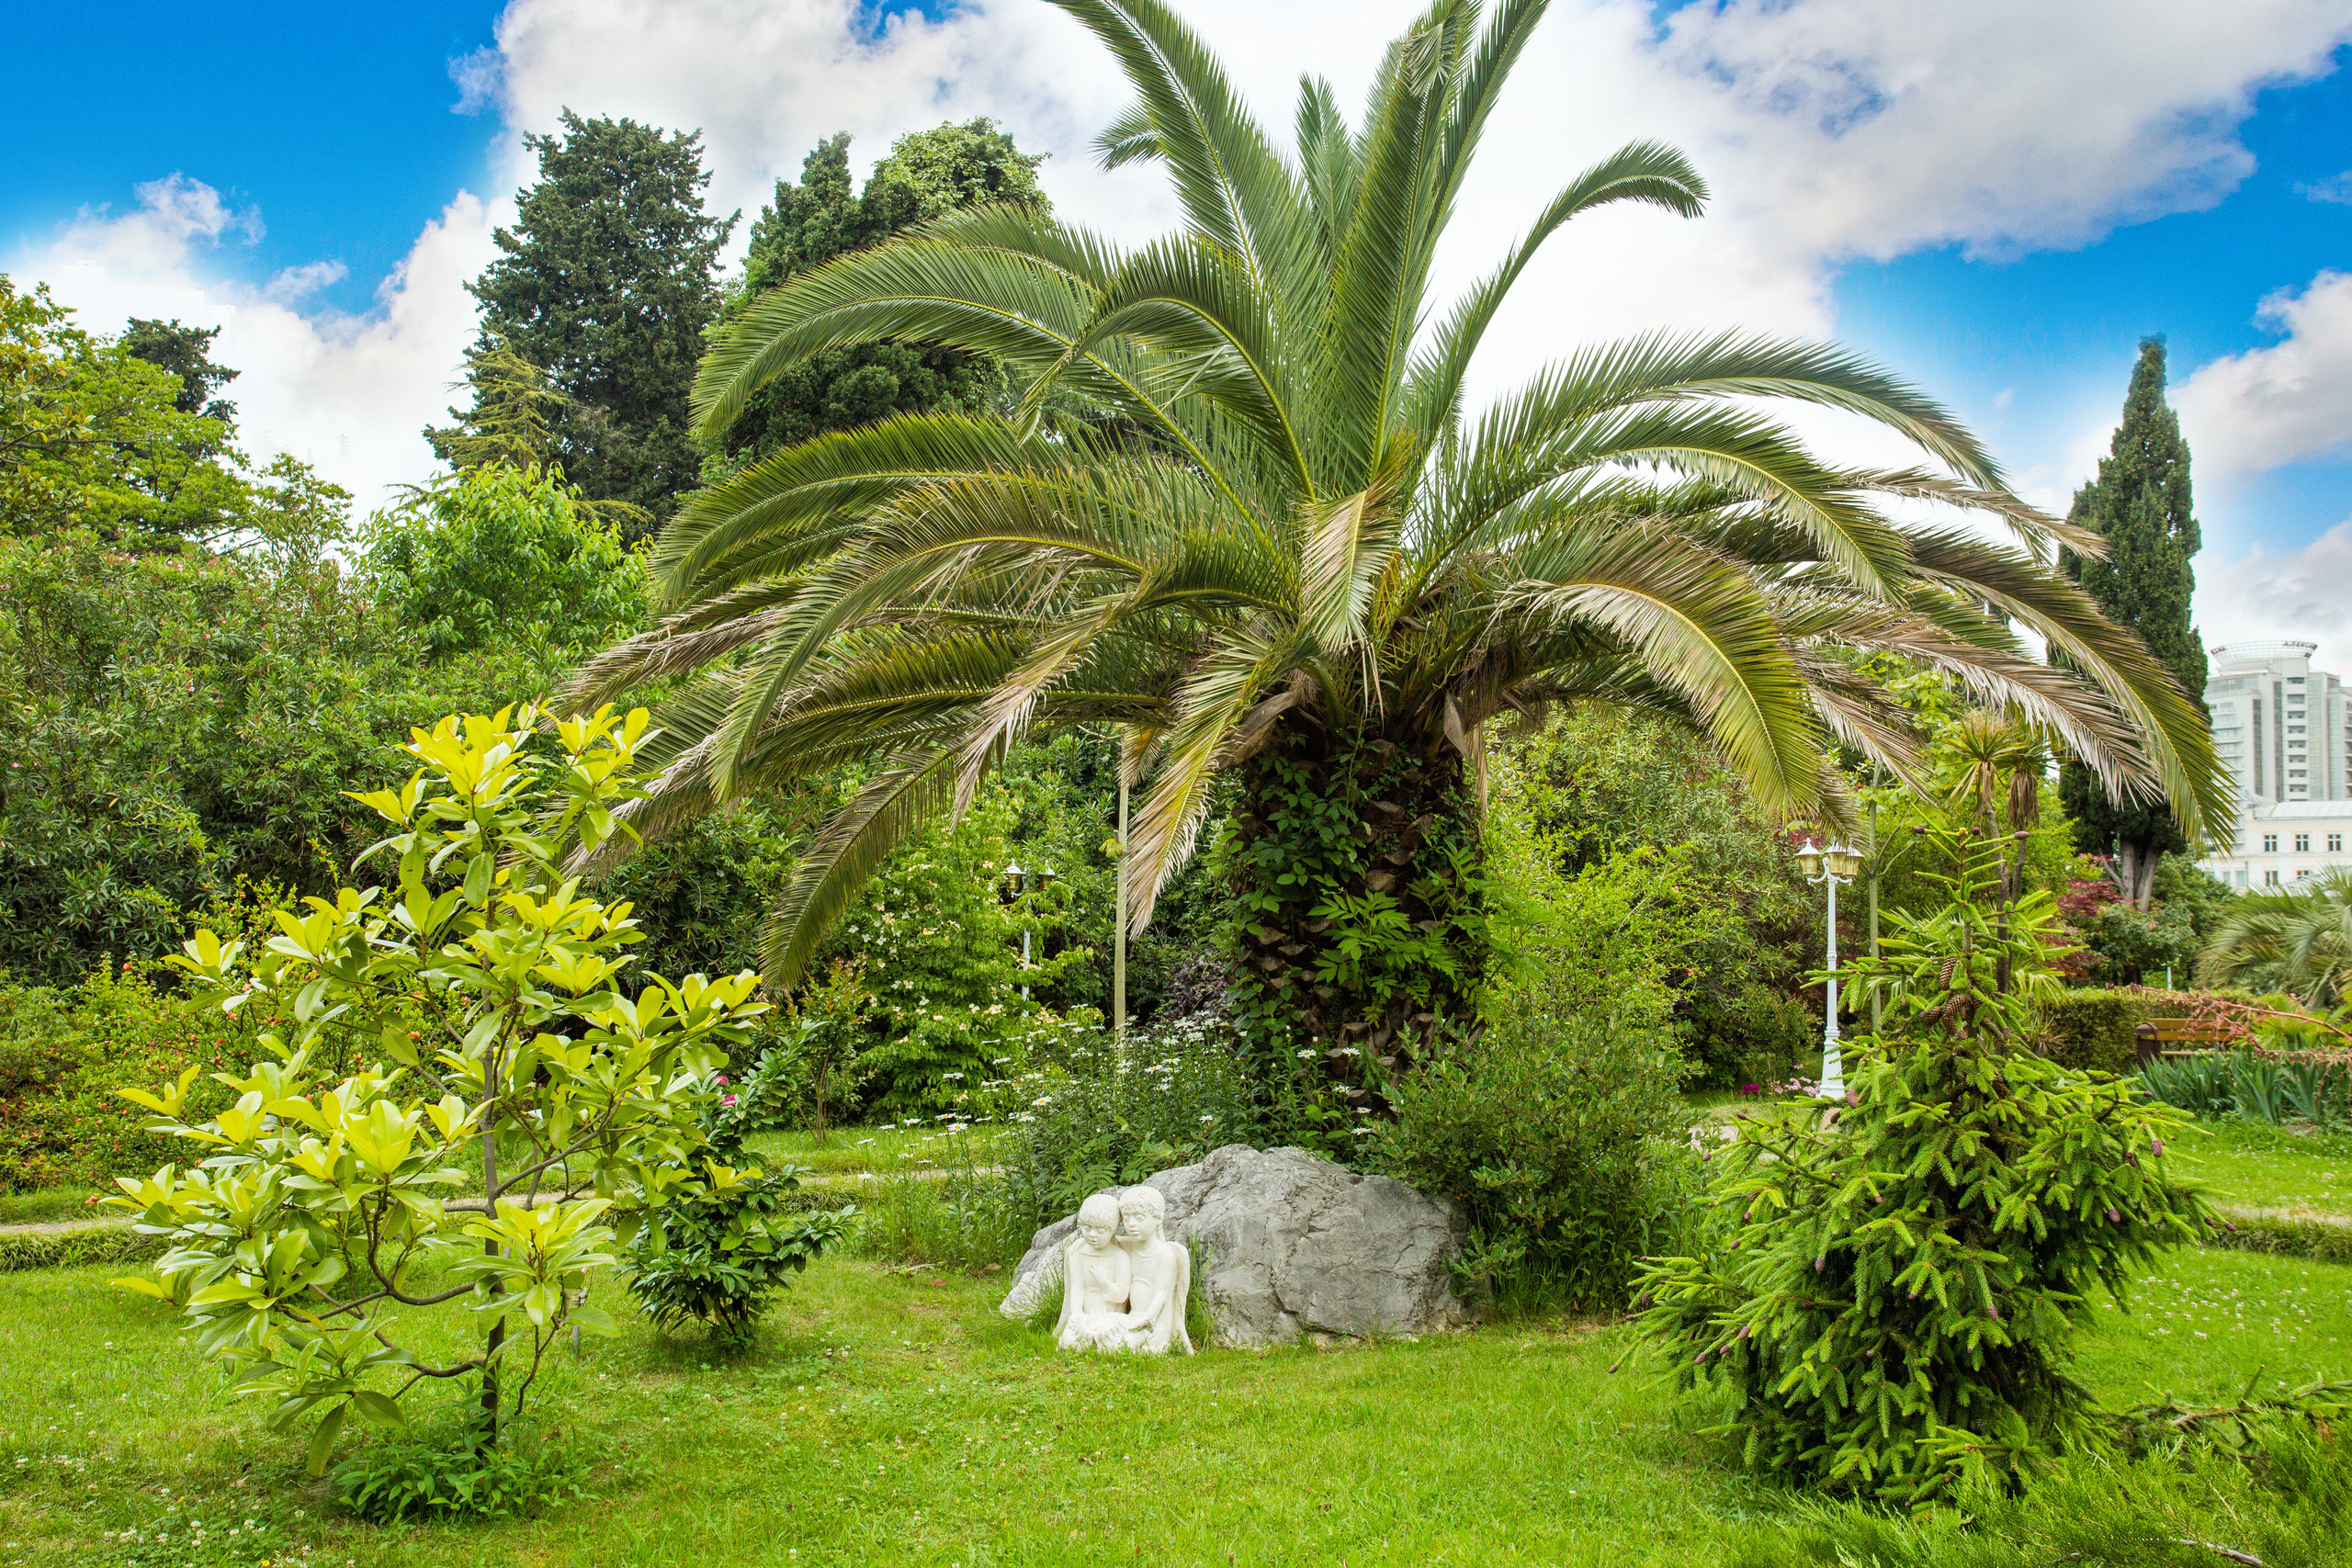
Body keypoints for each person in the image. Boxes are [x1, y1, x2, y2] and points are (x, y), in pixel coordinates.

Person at [1115, 1185, 1193, 1355]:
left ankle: (1159, 1346)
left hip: (1155, 1323)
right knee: (1105, 1331)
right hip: (1133, 1317)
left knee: (1120, 1345)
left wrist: (1149, 1318)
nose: (1132, 1225)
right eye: (1127, 1219)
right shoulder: (1130, 1248)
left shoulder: (1165, 1254)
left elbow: (1162, 1294)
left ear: (1158, 1218)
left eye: (1139, 1218)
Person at [1054, 1192, 1133, 1352]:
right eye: (1087, 1228)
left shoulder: (1120, 1257)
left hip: (1111, 1317)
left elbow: (1121, 1296)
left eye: (1100, 1231)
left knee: (1112, 1345)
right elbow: (1076, 1288)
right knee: (1070, 1343)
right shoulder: (1078, 1254)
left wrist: (1103, 1280)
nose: (1092, 1235)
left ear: (1112, 1230)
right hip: (1084, 1317)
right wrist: (1076, 1314)